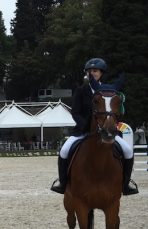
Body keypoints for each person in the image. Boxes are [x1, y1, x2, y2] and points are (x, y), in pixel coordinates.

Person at [50, 58, 138, 195]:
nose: (92, 73)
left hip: (107, 130)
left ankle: (125, 184)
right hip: (83, 130)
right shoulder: (81, 90)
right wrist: (84, 126)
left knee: (127, 150)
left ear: (101, 73)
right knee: (64, 150)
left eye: (95, 71)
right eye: (89, 71)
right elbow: (76, 112)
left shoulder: (108, 91)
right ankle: (63, 183)